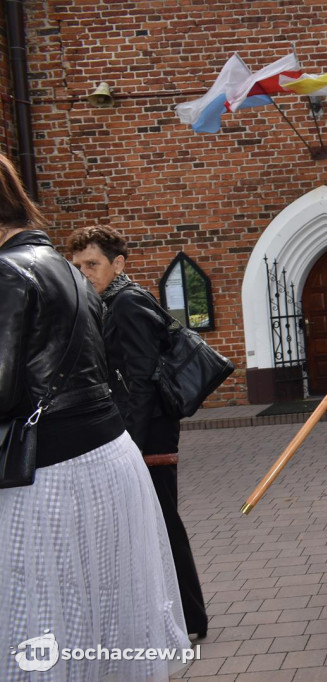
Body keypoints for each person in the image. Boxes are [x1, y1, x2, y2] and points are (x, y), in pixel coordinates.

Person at [0, 155, 190, 680]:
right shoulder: (72, 270)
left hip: (48, 472)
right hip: (105, 459)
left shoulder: (8, 271)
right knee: (103, 617)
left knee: (40, 622)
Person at [67, 226, 208, 640]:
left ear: (118, 263)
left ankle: (190, 617)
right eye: (77, 266)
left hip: (148, 436)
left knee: (163, 524)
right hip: (141, 431)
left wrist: (127, 443)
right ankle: (179, 616)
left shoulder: (126, 303)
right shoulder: (109, 302)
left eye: (92, 264)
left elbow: (142, 381)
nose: (84, 273)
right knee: (153, 525)